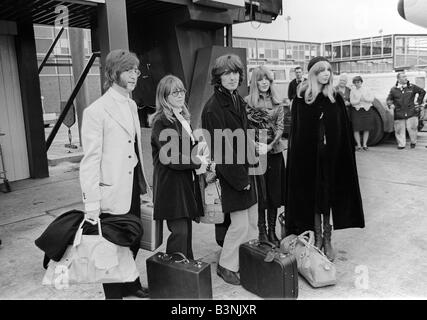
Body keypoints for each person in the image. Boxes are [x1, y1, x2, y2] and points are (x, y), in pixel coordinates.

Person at [79, 49, 150, 299]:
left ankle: (130, 283)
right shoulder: (96, 111)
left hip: (131, 186)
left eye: (136, 70)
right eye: (128, 70)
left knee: (132, 237)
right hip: (110, 189)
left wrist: (143, 186)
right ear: (113, 73)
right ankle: (114, 294)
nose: (134, 75)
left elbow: (134, 151)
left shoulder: (131, 104)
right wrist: (91, 205)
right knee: (111, 243)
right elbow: (90, 162)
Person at [285, 56, 365, 262]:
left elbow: (344, 131)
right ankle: (317, 236)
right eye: (321, 70)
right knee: (312, 199)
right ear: (313, 74)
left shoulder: (335, 98)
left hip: (332, 160)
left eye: (328, 70)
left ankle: (327, 238)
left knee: (328, 199)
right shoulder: (302, 99)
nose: (325, 74)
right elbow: (297, 134)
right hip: (309, 161)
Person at [201, 54, 258, 285]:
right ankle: (226, 266)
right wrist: (239, 178)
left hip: (245, 169)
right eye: (227, 73)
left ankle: (245, 260)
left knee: (251, 220)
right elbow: (220, 150)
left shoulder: (236, 99)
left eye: (235, 72)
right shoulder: (213, 108)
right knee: (240, 224)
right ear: (218, 78)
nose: (232, 77)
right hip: (232, 174)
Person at [151, 75, 206, 260]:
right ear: (164, 96)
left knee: (186, 233)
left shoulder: (181, 118)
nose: (180, 95)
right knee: (180, 234)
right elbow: (173, 158)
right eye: (175, 92)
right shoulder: (161, 122)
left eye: (182, 90)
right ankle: (175, 277)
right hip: (171, 187)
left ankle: (185, 271)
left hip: (184, 183)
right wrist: (198, 160)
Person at [245, 65, 286, 246]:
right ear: (255, 81)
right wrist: (255, 145)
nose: (264, 82)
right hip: (256, 153)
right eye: (260, 79)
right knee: (261, 194)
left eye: (267, 79)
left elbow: (280, 126)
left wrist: (269, 146)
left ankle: (271, 231)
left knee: (274, 194)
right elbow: (244, 128)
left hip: (274, 152)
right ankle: (261, 231)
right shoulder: (247, 102)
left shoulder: (278, 101)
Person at [386, 72, 426, 149]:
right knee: (399, 129)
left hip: (411, 111)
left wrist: (418, 102)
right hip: (399, 112)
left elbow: (422, 92)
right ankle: (401, 144)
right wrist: (390, 104)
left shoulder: (412, 87)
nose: (406, 78)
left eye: (406, 76)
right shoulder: (393, 89)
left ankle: (413, 142)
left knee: (413, 128)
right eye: (403, 77)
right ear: (398, 79)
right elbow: (389, 99)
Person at [350, 76, 375, 151]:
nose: (357, 84)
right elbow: (352, 102)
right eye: (355, 82)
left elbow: (371, 99)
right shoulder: (352, 91)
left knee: (366, 128)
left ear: (361, 82)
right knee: (356, 129)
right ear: (354, 83)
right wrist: (358, 100)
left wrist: (365, 99)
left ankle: (365, 144)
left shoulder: (367, 89)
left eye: (358, 82)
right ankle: (359, 145)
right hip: (357, 111)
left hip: (367, 110)